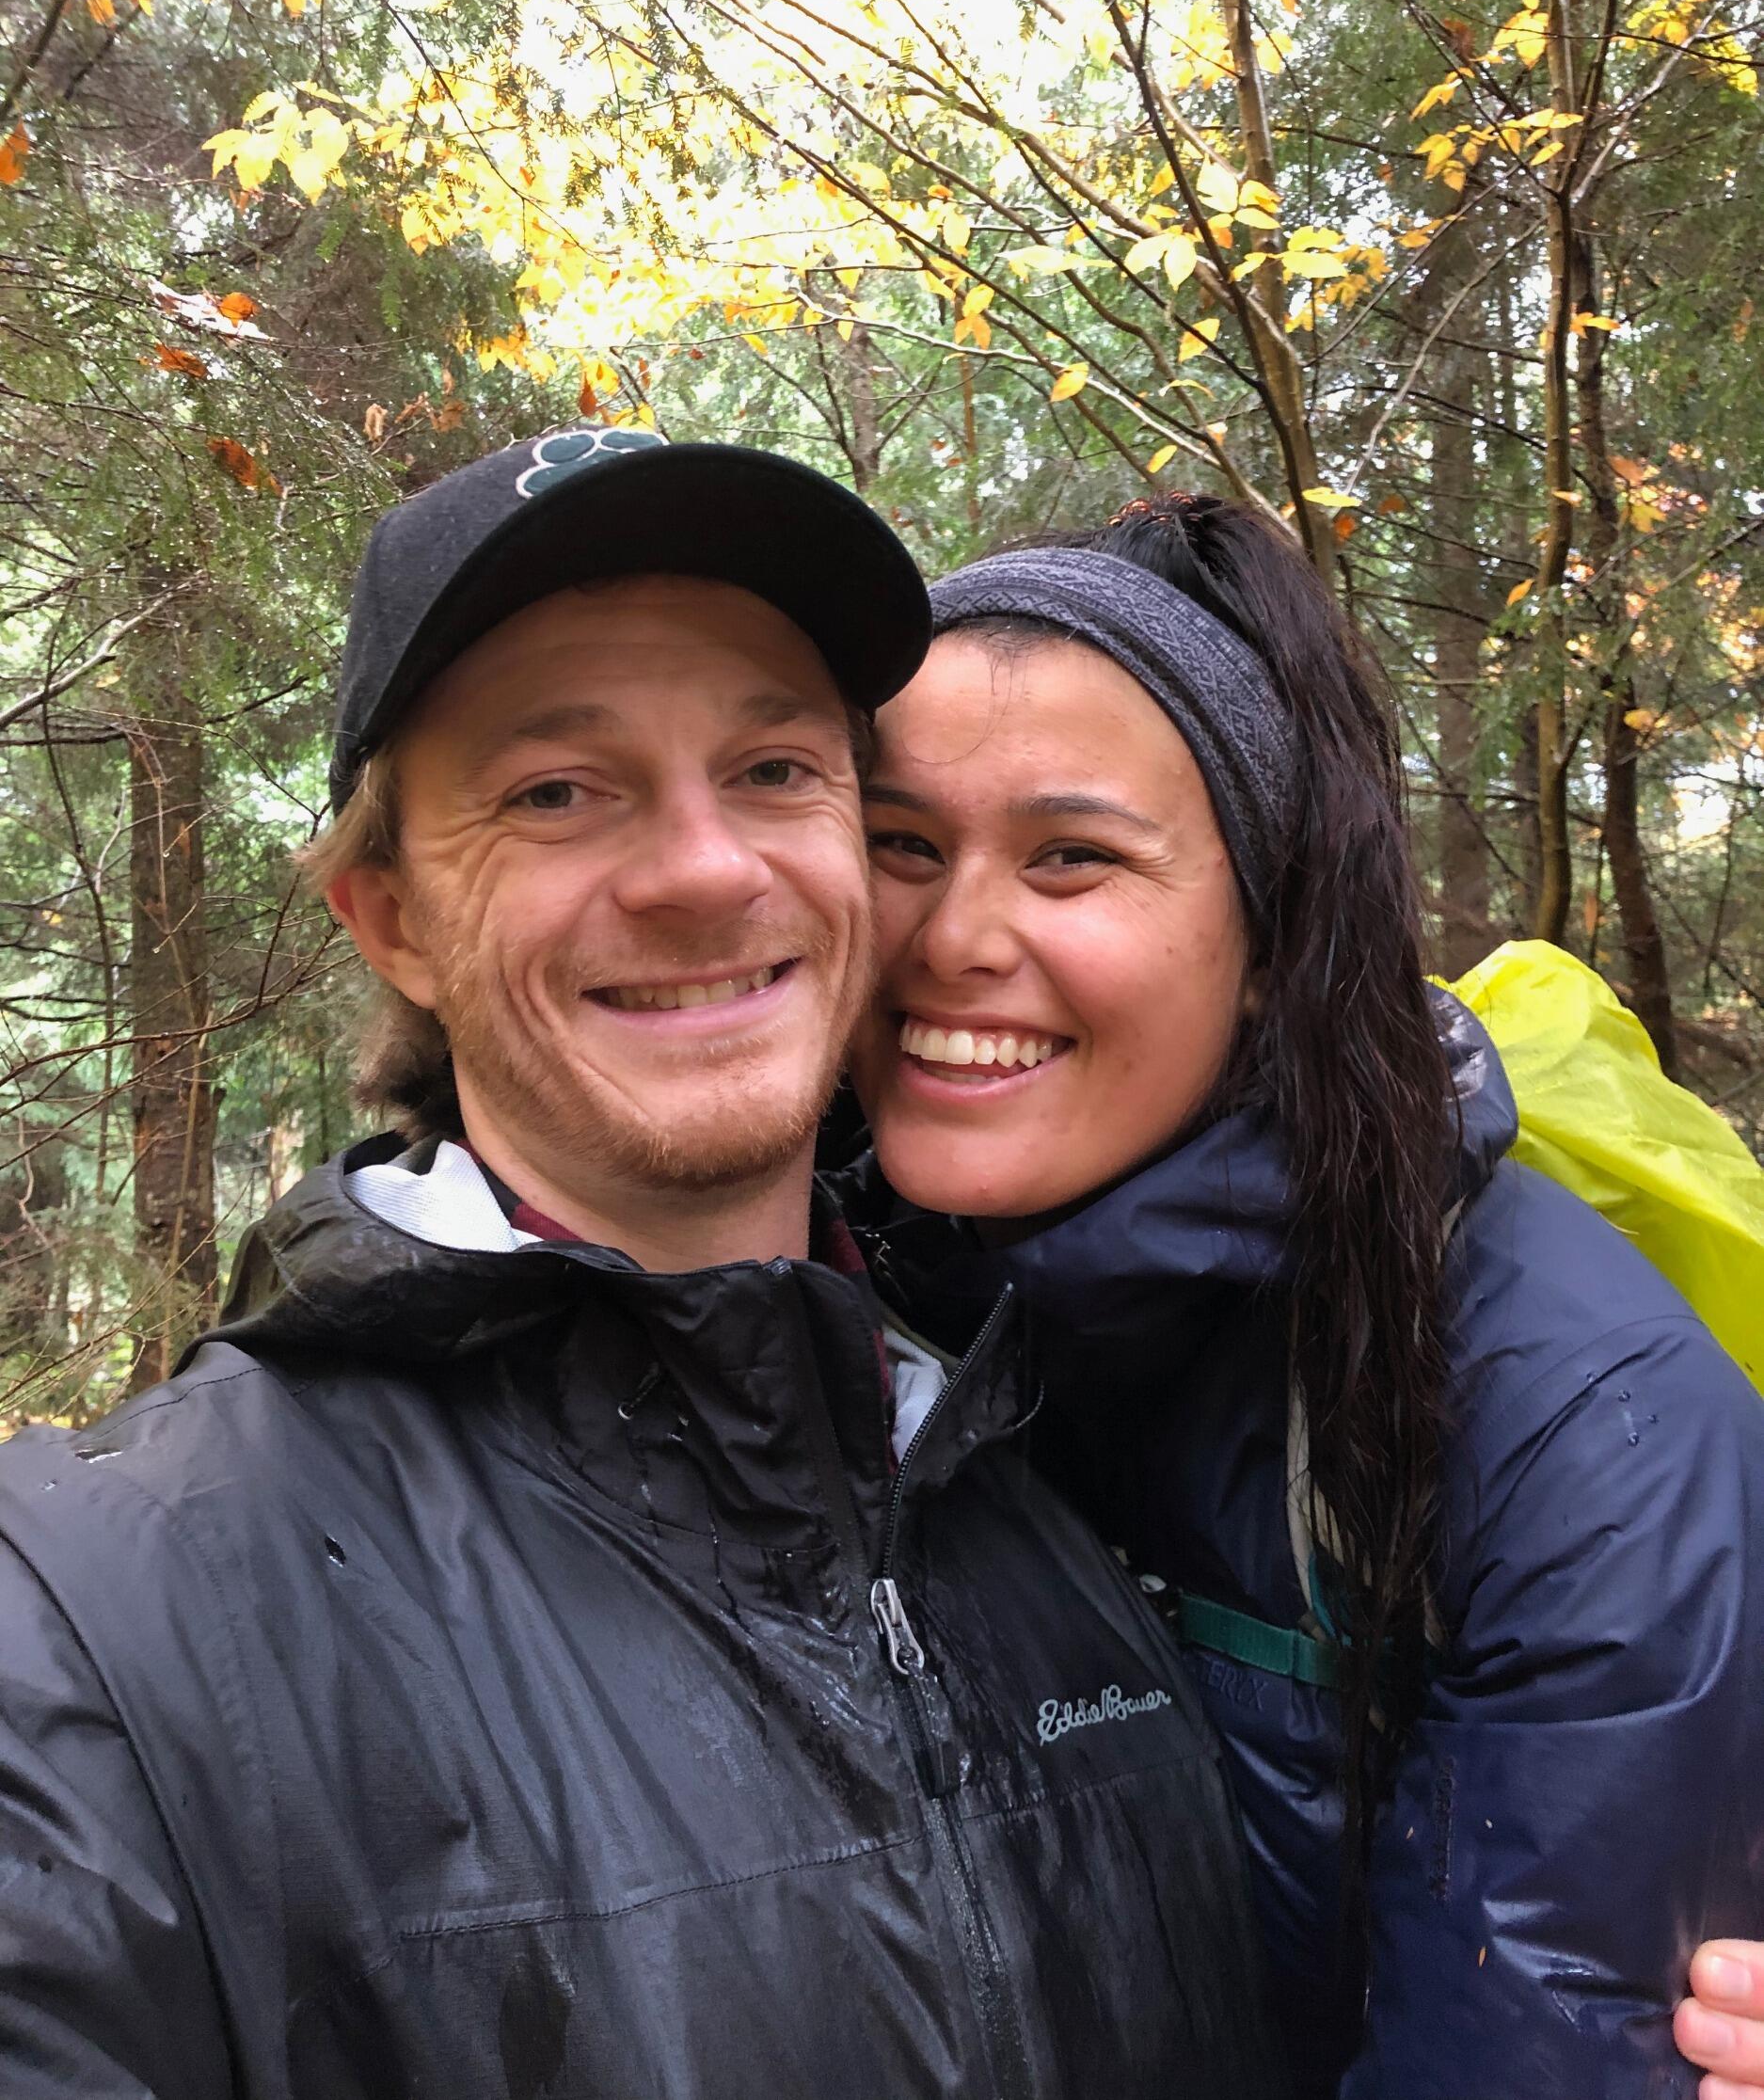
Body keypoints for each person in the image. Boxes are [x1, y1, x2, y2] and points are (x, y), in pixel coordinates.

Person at [0, 429, 1288, 2099]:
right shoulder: (102, 1622)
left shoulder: (1024, 1462)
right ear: (392, 918)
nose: (704, 869)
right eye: (557, 791)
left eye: (774, 770)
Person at [840, 492, 1764, 2100]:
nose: (954, 937)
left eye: (1074, 859)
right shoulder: (827, 1291)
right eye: (900, 845)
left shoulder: (1579, 1433)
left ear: (1274, 937)